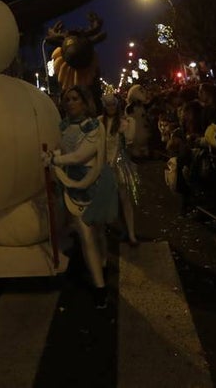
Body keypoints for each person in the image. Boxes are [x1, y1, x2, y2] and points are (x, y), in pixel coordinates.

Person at [44, 85, 118, 309]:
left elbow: (80, 156)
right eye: (67, 99)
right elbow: (66, 152)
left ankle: (103, 265)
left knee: (97, 233)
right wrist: (52, 155)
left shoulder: (94, 127)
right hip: (72, 189)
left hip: (93, 187)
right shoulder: (64, 127)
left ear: (85, 102)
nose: (71, 102)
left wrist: (54, 161)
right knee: (86, 237)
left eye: (75, 98)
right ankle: (100, 287)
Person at [101, 94, 139, 246]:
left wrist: (130, 122)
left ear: (117, 105)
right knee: (108, 201)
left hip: (119, 165)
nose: (111, 107)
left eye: (113, 104)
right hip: (103, 165)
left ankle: (131, 233)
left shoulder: (123, 122)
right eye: (108, 105)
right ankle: (113, 230)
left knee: (125, 200)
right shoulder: (99, 122)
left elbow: (130, 139)